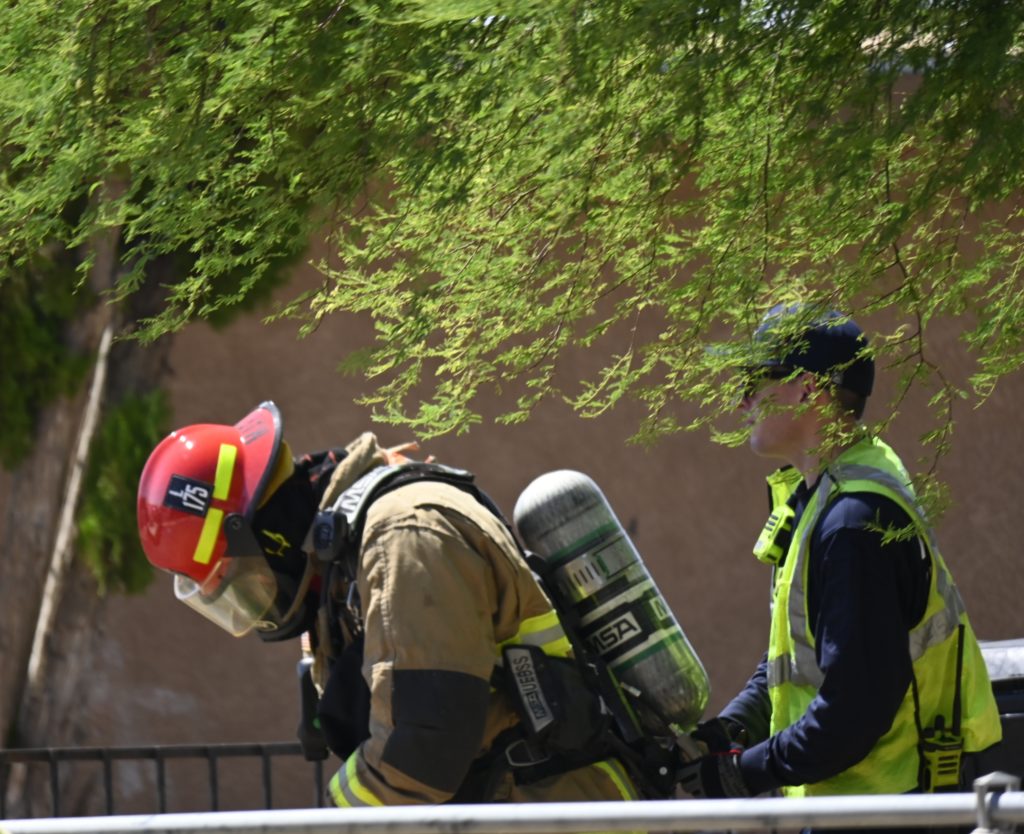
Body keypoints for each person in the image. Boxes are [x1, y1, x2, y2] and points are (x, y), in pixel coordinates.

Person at [136, 401, 643, 809]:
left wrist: (332, 820)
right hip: (509, 806)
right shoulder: (342, 561)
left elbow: (423, 749)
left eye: (241, 580)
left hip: (555, 809)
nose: (253, 602)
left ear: (263, 534)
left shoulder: (404, 533)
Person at [677, 305, 1002, 807]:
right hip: (856, 802)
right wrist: (733, 727)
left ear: (808, 388)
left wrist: (744, 773)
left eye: (755, 380)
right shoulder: (828, 494)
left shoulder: (853, 523)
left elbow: (854, 711)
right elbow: (795, 661)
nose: (742, 400)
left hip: (888, 808)